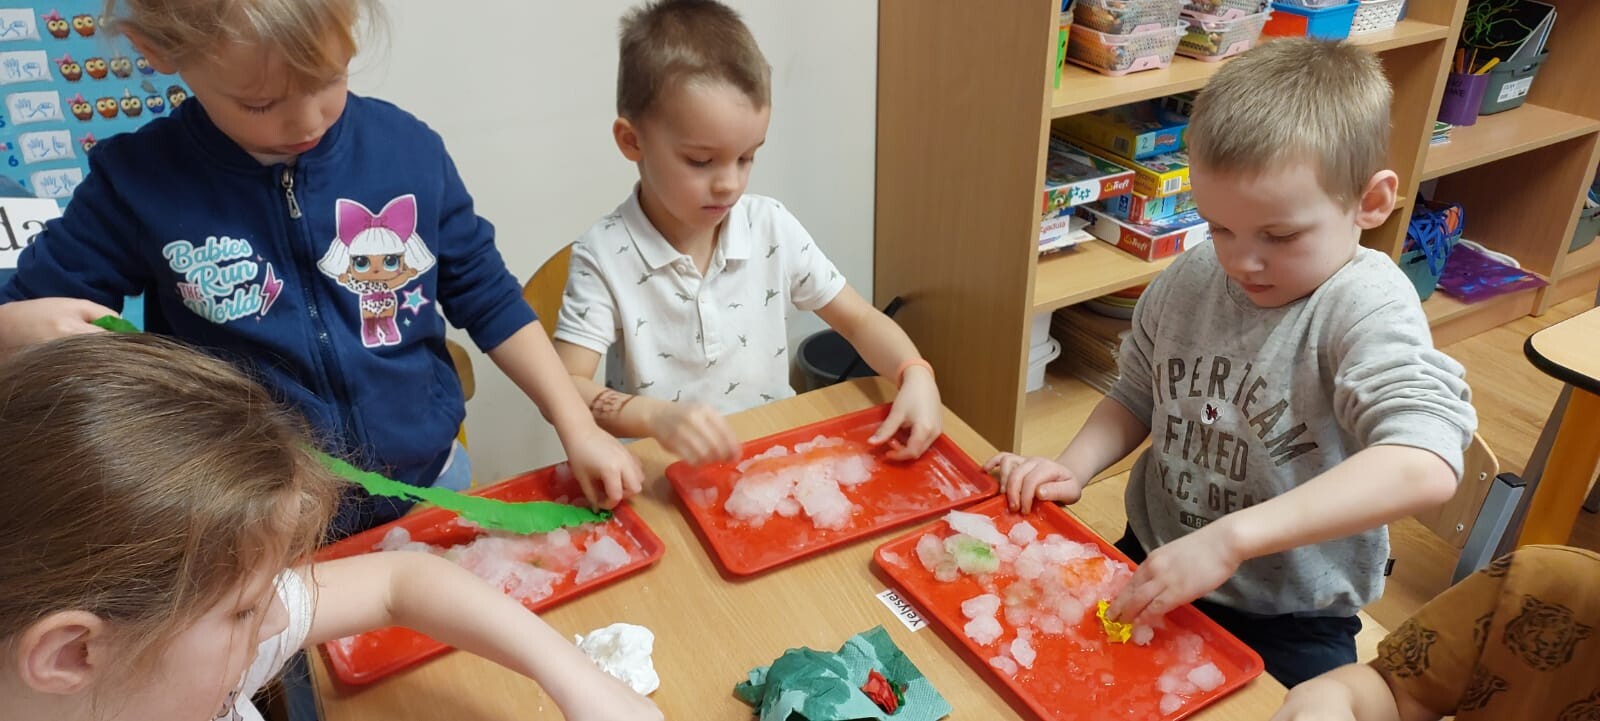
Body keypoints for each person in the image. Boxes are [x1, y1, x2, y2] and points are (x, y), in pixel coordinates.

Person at [0, 0, 641, 534]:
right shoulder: (136, 182)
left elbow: (489, 295)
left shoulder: (407, 150)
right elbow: (23, 318)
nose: (306, 121)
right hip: (258, 522)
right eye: (259, 103)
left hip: (432, 483)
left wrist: (575, 423)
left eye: (328, 79)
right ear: (159, 52)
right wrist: (19, 328)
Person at [987, 39, 1477, 687]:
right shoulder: (1192, 276)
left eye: (1279, 235)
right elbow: (1138, 393)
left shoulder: (1365, 305)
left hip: (1290, 616)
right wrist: (1071, 467)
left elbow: (1425, 462)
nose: (1241, 261)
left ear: (1370, 201)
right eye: (1218, 226)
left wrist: (1231, 539)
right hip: (1157, 562)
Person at [0, 333, 661, 721]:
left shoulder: (156, 656)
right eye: (244, 610)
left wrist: (576, 680)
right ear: (71, 653)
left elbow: (403, 579)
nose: (276, 620)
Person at [553, 0, 942, 466]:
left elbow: (858, 320)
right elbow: (566, 386)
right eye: (701, 161)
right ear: (632, 141)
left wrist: (915, 372)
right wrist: (654, 417)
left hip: (771, 459)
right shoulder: (603, 255)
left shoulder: (770, 226)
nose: (730, 184)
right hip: (661, 470)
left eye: (746, 157)